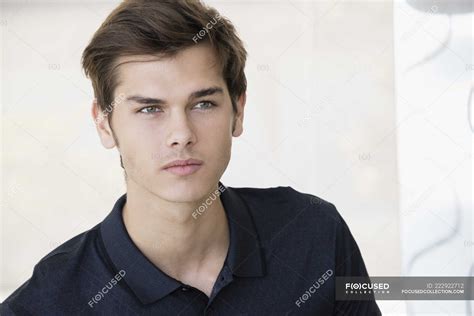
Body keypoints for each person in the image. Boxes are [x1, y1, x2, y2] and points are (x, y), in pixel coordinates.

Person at [0, 0, 381, 314]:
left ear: (238, 111)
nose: (181, 134)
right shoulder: (45, 304)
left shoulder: (314, 233)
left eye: (203, 103)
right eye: (150, 109)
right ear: (104, 123)